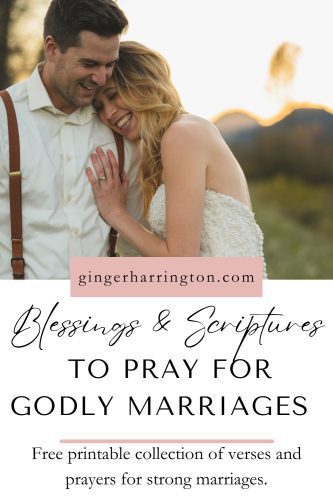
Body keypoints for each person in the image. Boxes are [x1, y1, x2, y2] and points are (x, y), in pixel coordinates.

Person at [87, 41, 266, 272]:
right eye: (99, 106)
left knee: (85, 280)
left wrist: (115, 213)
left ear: (144, 84)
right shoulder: (181, 134)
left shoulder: (182, 135)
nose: (108, 113)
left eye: (113, 95)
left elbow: (181, 262)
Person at [0, 0, 143, 279]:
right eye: (89, 64)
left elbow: (138, 237)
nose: (101, 79)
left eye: (109, 65)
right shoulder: (4, 118)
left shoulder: (121, 125)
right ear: (52, 48)